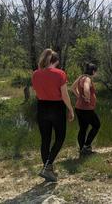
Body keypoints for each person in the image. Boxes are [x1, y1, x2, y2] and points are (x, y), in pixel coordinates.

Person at [32, 49, 74, 182]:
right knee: (60, 137)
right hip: (56, 107)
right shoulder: (60, 74)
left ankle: (47, 168)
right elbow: (65, 95)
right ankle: (48, 167)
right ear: (55, 61)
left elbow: (37, 93)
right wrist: (71, 109)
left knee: (45, 139)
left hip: (42, 107)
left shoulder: (35, 74)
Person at [71, 63, 101, 156]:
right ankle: (87, 146)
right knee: (96, 125)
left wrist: (79, 97)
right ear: (93, 71)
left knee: (83, 129)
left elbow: (72, 88)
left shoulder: (81, 77)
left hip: (79, 108)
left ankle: (82, 150)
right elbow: (86, 89)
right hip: (86, 109)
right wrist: (87, 98)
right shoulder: (87, 79)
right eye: (96, 71)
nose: (96, 73)